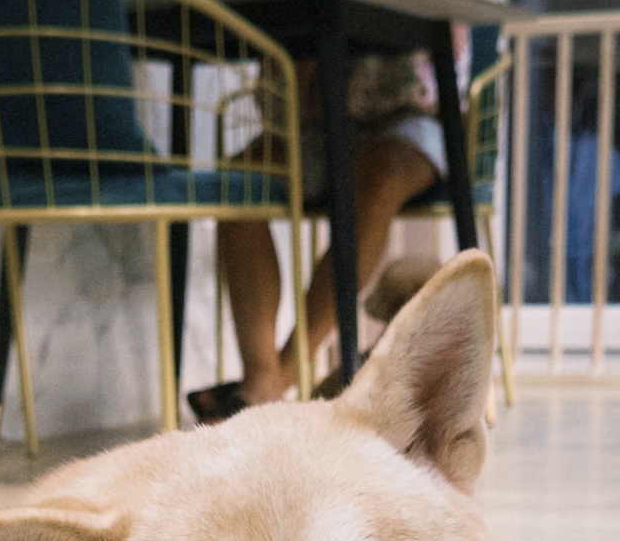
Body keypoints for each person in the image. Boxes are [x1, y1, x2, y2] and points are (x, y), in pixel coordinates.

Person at [188, 52, 447, 422]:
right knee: (239, 182)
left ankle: (269, 384)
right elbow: (272, 104)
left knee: (379, 180)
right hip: (309, 132)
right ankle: (264, 377)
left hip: (407, 121)